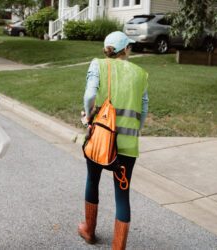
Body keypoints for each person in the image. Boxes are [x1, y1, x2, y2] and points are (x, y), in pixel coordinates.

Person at [78, 31, 149, 250]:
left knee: (93, 179)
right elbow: (144, 109)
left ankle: (89, 231)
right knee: (122, 193)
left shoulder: (99, 65)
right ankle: (118, 247)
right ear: (126, 49)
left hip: (100, 138)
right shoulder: (141, 73)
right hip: (127, 145)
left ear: (107, 50)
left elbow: (90, 95)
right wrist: (134, 129)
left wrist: (88, 116)